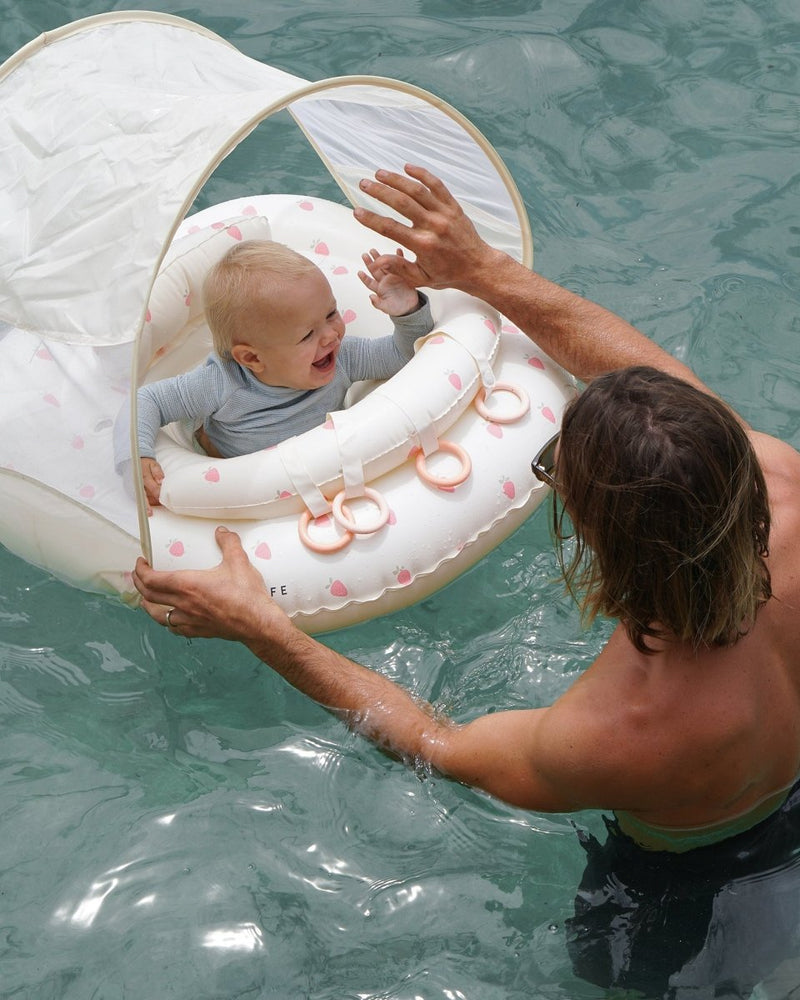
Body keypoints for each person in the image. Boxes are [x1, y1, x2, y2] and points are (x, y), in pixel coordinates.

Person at [132, 166, 800, 996]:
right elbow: (645, 373)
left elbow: (434, 745)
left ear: (605, 543)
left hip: (697, 888)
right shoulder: (778, 481)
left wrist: (260, 627)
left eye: (555, 472)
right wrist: (481, 269)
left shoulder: (624, 728)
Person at [133, 239, 433, 509]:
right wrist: (142, 455)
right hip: (231, 469)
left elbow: (402, 355)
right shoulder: (220, 383)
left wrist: (407, 312)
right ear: (252, 358)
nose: (331, 335)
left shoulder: (343, 356)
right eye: (307, 336)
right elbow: (148, 400)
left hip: (316, 463)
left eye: (331, 314)